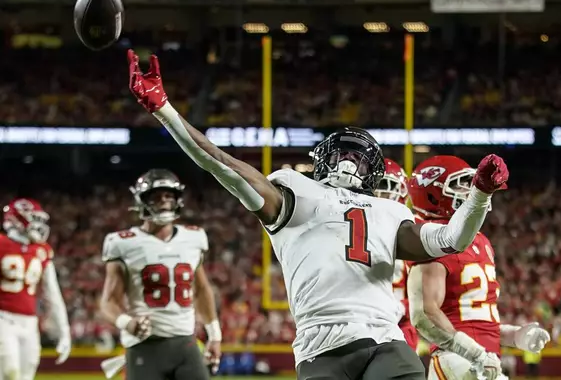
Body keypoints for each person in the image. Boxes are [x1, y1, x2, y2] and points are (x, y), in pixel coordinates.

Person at [127, 50, 509, 380]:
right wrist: (165, 110)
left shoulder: (388, 211)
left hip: (384, 339)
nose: (349, 162)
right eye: (344, 153)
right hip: (322, 343)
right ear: (323, 160)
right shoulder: (295, 191)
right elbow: (221, 164)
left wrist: (480, 194)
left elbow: (451, 240)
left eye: (359, 158)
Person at [406, 155, 550, 380]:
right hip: (457, 359)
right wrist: (474, 353)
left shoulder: (480, 241)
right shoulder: (431, 239)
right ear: (433, 192)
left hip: (480, 360)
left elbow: (475, 321)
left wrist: (516, 336)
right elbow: (425, 313)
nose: (468, 189)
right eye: (460, 183)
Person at [99, 169, 221, 380]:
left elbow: (201, 290)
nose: (164, 202)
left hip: (186, 343)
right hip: (145, 346)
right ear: (142, 202)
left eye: (168, 196)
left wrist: (215, 335)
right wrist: (126, 322)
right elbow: (108, 302)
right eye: (156, 197)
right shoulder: (123, 243)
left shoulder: (193, 237)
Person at [0, 198, 71, 380]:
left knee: (26, 375)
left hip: (29, 322)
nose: (38, 225)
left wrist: (64, 331)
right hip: (3, 318)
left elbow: (52, 293)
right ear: (17, 220)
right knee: (9, 372)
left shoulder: (42, 250)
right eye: (34, 218)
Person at [374, 158, 419, 351]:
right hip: (357, 319)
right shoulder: (349, 224)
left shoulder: (414, 230)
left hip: (399, 324)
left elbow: (427, 295)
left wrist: (402, 307)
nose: (378, 193)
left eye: (386, 186)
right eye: (374, 186)